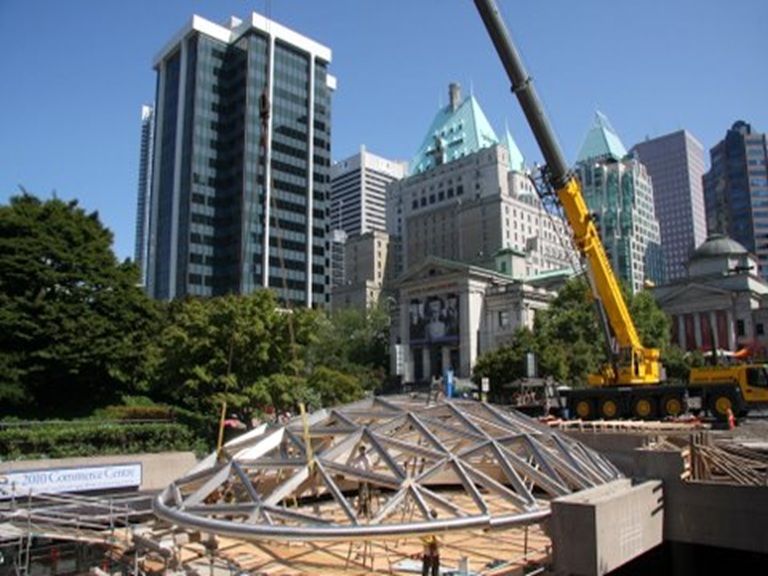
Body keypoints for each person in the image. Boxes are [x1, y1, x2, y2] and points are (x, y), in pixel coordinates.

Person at [351, 445, 372, 518]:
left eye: (363, 449)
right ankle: (361, 511)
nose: (362, 450)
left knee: (367, 496)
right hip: (361, 480)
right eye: (361, 449)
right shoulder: (358, 458)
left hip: (367, 479)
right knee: (361, 496)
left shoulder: (367, 458)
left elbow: (370, 467)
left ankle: (367, 511)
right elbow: (354, 465)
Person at [421, 509, 440, 576]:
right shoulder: (427, 526)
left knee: (432, 570)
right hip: (430, 552)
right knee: (429, 570)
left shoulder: (436, 526)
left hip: (432, 552)